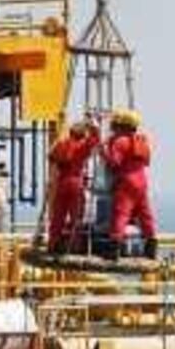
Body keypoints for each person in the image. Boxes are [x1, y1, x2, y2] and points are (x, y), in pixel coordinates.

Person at [101, 109, 157, 260]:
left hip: (126, 181)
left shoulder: (120, 142)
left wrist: (103, 152)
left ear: (120, 125)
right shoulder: (141, 141)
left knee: (121, 214)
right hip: (142, 181)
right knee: (145, 214)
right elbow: (146, 161)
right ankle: (151, 247)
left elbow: (114, 163)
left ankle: (113, 250)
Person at [47, 117, 100, 254]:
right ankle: (74, 246)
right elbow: (95, 140)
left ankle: (53, 244)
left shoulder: (61, 144)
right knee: (76, 217)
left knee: (58, 216)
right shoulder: (81, 146)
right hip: (76, 182)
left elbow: (51, 156)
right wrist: (93, 126)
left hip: (61, 182)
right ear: (82, 134)